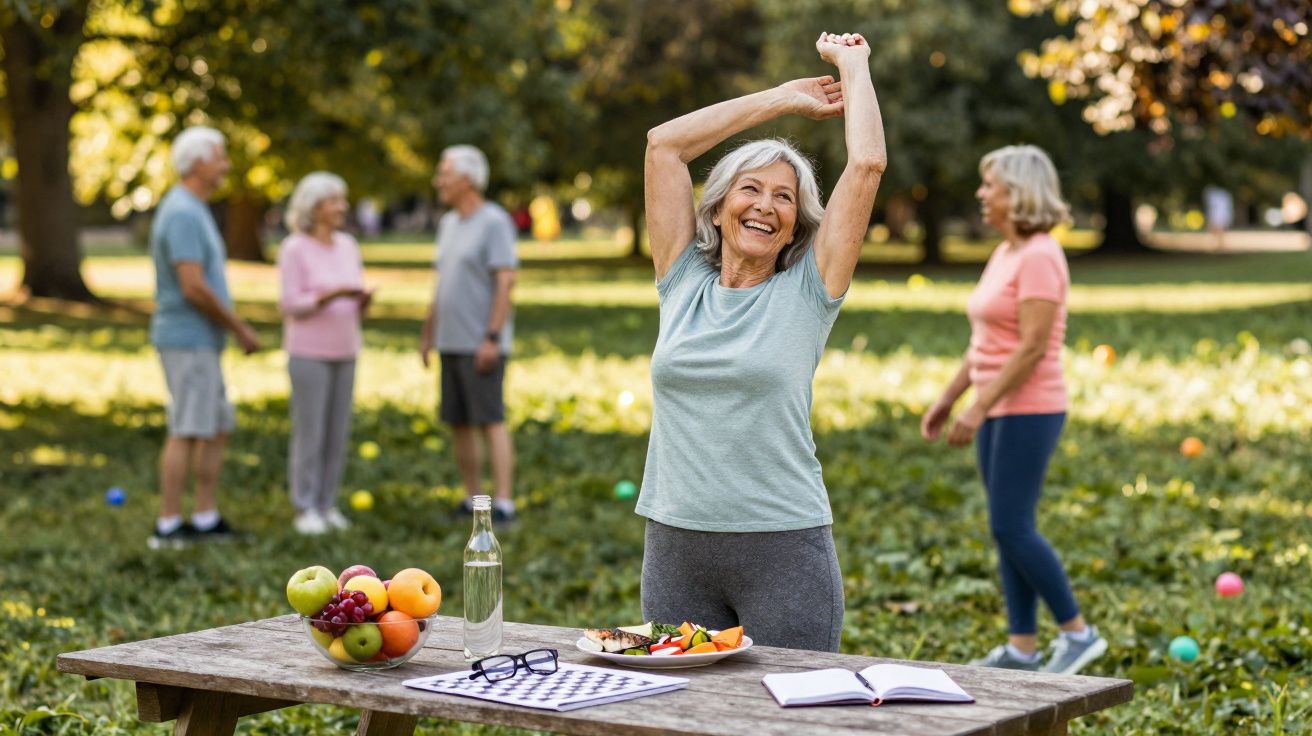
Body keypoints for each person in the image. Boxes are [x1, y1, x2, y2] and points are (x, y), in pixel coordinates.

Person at [637, 32, 886, 652]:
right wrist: (780, 100)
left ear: (796, 223)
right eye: (751, 189)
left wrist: (853, 67)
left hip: (782, 548)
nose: (766, 206)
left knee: (791, 714)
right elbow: (663, 146)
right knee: (681, 715)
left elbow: (868, 165)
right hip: (674, 544)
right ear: (719, 207)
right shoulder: (681, 280)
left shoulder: (808, 290)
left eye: (785, 197)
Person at [920, 145, 1107, 674]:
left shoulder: (1043, 254)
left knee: (1011, 525)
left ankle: (1078, 633)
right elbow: (985, 343)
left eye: (991, 186)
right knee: (1008, 526)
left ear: (1019, 193)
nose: (982, 194)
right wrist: (948, 398)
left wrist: (977, 408)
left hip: (1030, 407)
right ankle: (1023, 647)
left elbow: (1031, 347)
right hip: (999, 406)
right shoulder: (1006, 252)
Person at [148, 126, 261, 549]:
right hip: (186, 337)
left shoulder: (194, 209)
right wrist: (240, 326)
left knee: (215, 426)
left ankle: (205, 517)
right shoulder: (181, 212)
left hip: (202, 340)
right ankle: (169, 526)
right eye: (220, 156)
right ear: (197, 163)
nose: (226, 164)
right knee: (188, 427)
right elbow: (193, 286)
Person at [419, 145, 519, 523]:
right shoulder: (448, 224)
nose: (438, 180)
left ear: (467, 178)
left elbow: (506, 281)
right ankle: (473, 498)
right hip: (451, 340)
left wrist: (491, 337)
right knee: (458, 421)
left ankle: (505, 502)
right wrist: (428, 333)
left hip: (482, 343)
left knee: (490, 419)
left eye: (444, 173)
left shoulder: (494, 221)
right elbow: (442, 283)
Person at [278, 172, 373, 535]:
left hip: (346, 348)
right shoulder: (295, 248)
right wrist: (330, 295)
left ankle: (326, 503)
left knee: (337, 430)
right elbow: (289, 304)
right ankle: (305, 508)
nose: (342, 207)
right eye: (335, 200)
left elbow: (355, 299)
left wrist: (362, 301)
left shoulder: (349, 245)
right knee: (310, 430)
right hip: (308, 352)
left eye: (342, 200)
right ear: (314, 207)